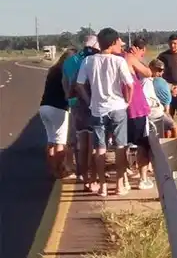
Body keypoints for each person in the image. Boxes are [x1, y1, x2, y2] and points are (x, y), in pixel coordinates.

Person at [75, 27, 134, 197]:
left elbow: (79, 85)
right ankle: (119, 185)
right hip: (117, 107)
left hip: (97, 109)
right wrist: (127, 102)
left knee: (99, 149)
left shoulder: (88, 61)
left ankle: (102, 187)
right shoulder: (118, 61)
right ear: (114, 42)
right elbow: (129, 85)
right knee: (120, 147)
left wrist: (88, 100)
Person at [62, 35, 100, 191]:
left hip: (76, 105)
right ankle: (92, 179)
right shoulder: (92, 61)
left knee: (81, 144)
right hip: (91, 105)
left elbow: (68, 86)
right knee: (95, 145)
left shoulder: (70, 61)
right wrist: (91, 101)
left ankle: (84, 178)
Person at [39, 48, 77, 178]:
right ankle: (61, 171)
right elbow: (69, 92)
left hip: (44, 106)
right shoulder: (67, 71)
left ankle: (52, 169)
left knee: (51, 140)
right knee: (60, 142)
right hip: (58, 108)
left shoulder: (53, 70)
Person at [123, 37, 154, 190]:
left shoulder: (115, 58)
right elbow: (148, 72)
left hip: (121, 108)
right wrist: (138, 59)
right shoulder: (130, 58)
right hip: (136, 107)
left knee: (122, 145)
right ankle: (143, 178)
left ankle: (123, 180)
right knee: (143, 144)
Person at [142, 58, 177, 140]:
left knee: (168, 129)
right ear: (151, 67)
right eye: (159, 70)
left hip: (159, 110)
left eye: (162, 70)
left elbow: (165, 86)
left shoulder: (153, 80)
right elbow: (146, 98)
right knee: (174, 126)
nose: (161, 73)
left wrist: (172, 88)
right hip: (154, 112)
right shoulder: (146, 81)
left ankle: (170, 147)